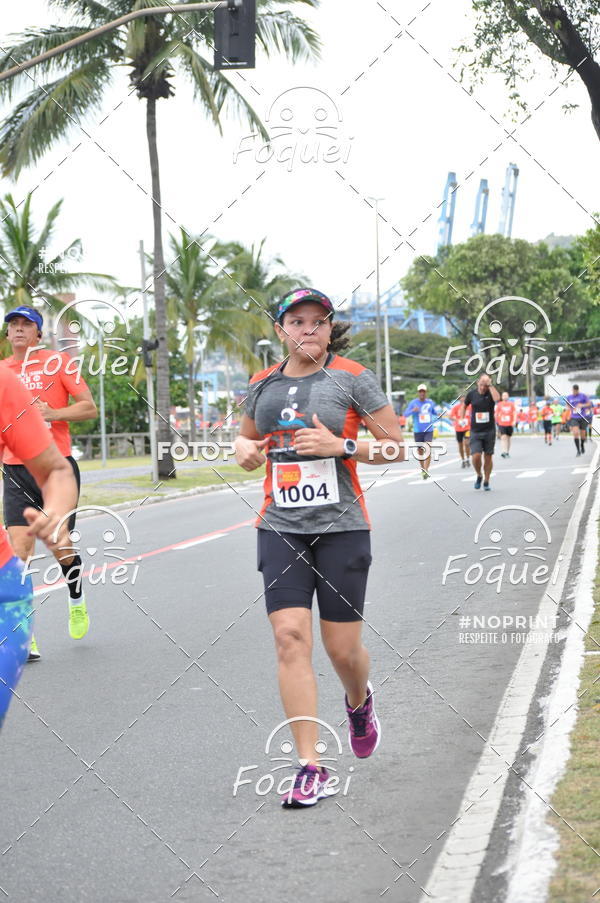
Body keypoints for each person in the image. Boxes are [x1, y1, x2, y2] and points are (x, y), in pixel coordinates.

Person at [234, 287, 404, 808]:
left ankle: (359, 700)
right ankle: (310, 764)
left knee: (342, 651)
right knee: (289, 638)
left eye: (318, 322)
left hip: (342, 527)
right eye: (297, 321)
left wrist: (341, 445)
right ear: (281, 328)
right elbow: (245, 444)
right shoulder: (260, 385)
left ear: (330, 329)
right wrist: (242, 451)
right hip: (280, 525)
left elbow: (397, 447)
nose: (308, 330)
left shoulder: (353, 378)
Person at [1, 306, 97, 660]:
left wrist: (52, 413)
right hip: (15, 469)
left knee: (60, 543)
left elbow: (89, 408)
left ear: (39, 334)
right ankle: (25, 635)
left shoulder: (58, 364)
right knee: (19, 554)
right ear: (8, 334)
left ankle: (76, 598)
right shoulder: (3, 372)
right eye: (13, 325)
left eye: (27, 324)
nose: (19, 329)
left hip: (55, 467)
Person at [0, 367, 78, 731]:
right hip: (14, 476)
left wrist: (55, 513)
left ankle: (75, 598)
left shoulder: (4, 382)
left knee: (54, 548)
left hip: (2, 590)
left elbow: (57, 472)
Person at [461, 374, 500, 490]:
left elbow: (497, 399)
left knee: (488, 457)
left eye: (486, 385)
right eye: (482, 384)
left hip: (489, 430)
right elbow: (464, 406)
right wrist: (462, 419)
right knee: (476, 456)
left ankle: (487, 481)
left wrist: (490, 385)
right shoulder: (472, 394)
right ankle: (479, 475)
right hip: (475, 431)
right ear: (478, 383)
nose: (483, 388)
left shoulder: (491, 393)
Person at [404, 384, 437, 479]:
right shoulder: (413, 403)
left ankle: (426, 470)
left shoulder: (430, 403)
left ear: (426, 392)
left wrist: (439, 414)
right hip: (418, 430)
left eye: (423, 391)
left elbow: (435, 412)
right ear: (418, 393)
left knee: (428, 448)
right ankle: (423, 469)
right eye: (420, 391)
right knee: (420, 451)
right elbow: (405, 414)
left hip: (428, 429)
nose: (422, 393)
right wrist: (413, 410)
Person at [565, 383, 590, 456]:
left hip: (582, 417)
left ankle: (582, 445)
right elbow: (567, 405)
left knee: (582, 434)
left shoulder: (583, 396)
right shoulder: (569, 397)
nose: (574, 392)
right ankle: (578, 450)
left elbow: (589, 404)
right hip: (574, 417)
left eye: (575, 391)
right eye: (573, 391)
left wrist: (582, 405)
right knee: (575, 433)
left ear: (577, 390)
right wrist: (570, 407)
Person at [449, 394, 471, 468]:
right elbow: (451, 417)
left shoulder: (469, 406)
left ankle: (468, 458)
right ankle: (463, 460)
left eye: (464, 398)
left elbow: (474, 414)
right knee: (460, 445)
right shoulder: (456, 407)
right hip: (458, 428)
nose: (462, 399)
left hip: (467, 428)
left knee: (467, 443)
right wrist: (457, 420)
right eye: (461, 398)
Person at [495, 392, 517, 458]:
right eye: (503, 395)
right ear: (502, 397)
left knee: (508, 438)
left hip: (510, 423)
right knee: (503, 437)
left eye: (506, 395)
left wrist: (514, 421)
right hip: (502, 423)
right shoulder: (499, 404)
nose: (505, 396)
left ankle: (507, 452)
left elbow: (514, 413)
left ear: (508, 396)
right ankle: (504, 451)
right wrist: (496, 420)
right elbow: (496, 413)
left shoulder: (511, 404)